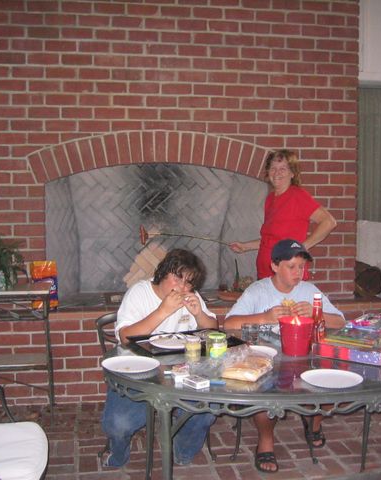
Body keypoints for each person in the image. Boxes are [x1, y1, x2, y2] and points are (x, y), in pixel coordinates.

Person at [224, 239, 346, 473]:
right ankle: (266, 440)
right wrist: (265, 317)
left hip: (304, 357)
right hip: (266, 359)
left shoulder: (309, 291)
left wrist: (316, 313)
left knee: (333, 380)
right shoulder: (258, 290)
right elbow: (229, 323)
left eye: (301, 267)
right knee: (261, 390)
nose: (298, 272)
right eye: (292, 266)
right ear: (274, 266)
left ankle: (313, 422)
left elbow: (340, 321)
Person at [100, 248, 218, 468]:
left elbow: (212, 329)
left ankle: (182, 452)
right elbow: (125, 337)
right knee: (118, 423)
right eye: (177, 279)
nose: (183, 287)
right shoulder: (139, 292)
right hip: (137, 372)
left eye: (189, 282)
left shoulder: (191, 296)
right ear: (163, 273)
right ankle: (119, 454)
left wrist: (199, 314)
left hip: (181, 373)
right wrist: (163, 311)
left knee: (205, 410)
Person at [229, 149, 337, 280]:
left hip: (287, 276)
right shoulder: (270, 199)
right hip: (266, 272)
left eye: (283, 169)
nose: (277, 173)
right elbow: (270, 239)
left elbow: (329, 222)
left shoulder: (297, 196)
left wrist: (301, 248)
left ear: (292, 173)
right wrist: (245, 246)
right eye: (273, 168)